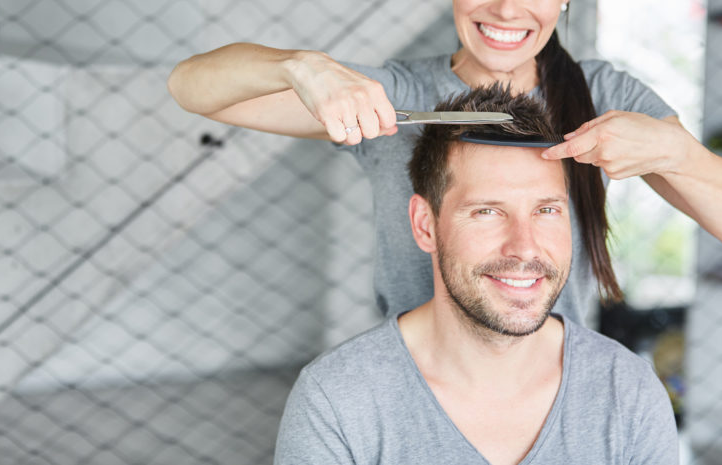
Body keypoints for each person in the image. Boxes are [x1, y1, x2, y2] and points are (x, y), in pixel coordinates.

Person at [167, 0, 722, 323]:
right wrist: (303, 67)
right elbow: (190, 86)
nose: (507, 8)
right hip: (416, 379)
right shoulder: (395, 97)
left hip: (558, 388)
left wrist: (674, 151)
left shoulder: (603, 93)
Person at [273, 85, 680, 465]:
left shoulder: (629, 392)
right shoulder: (338, 400)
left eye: (546, 210)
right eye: (487, 211)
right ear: (425, 225)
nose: (524, 247)